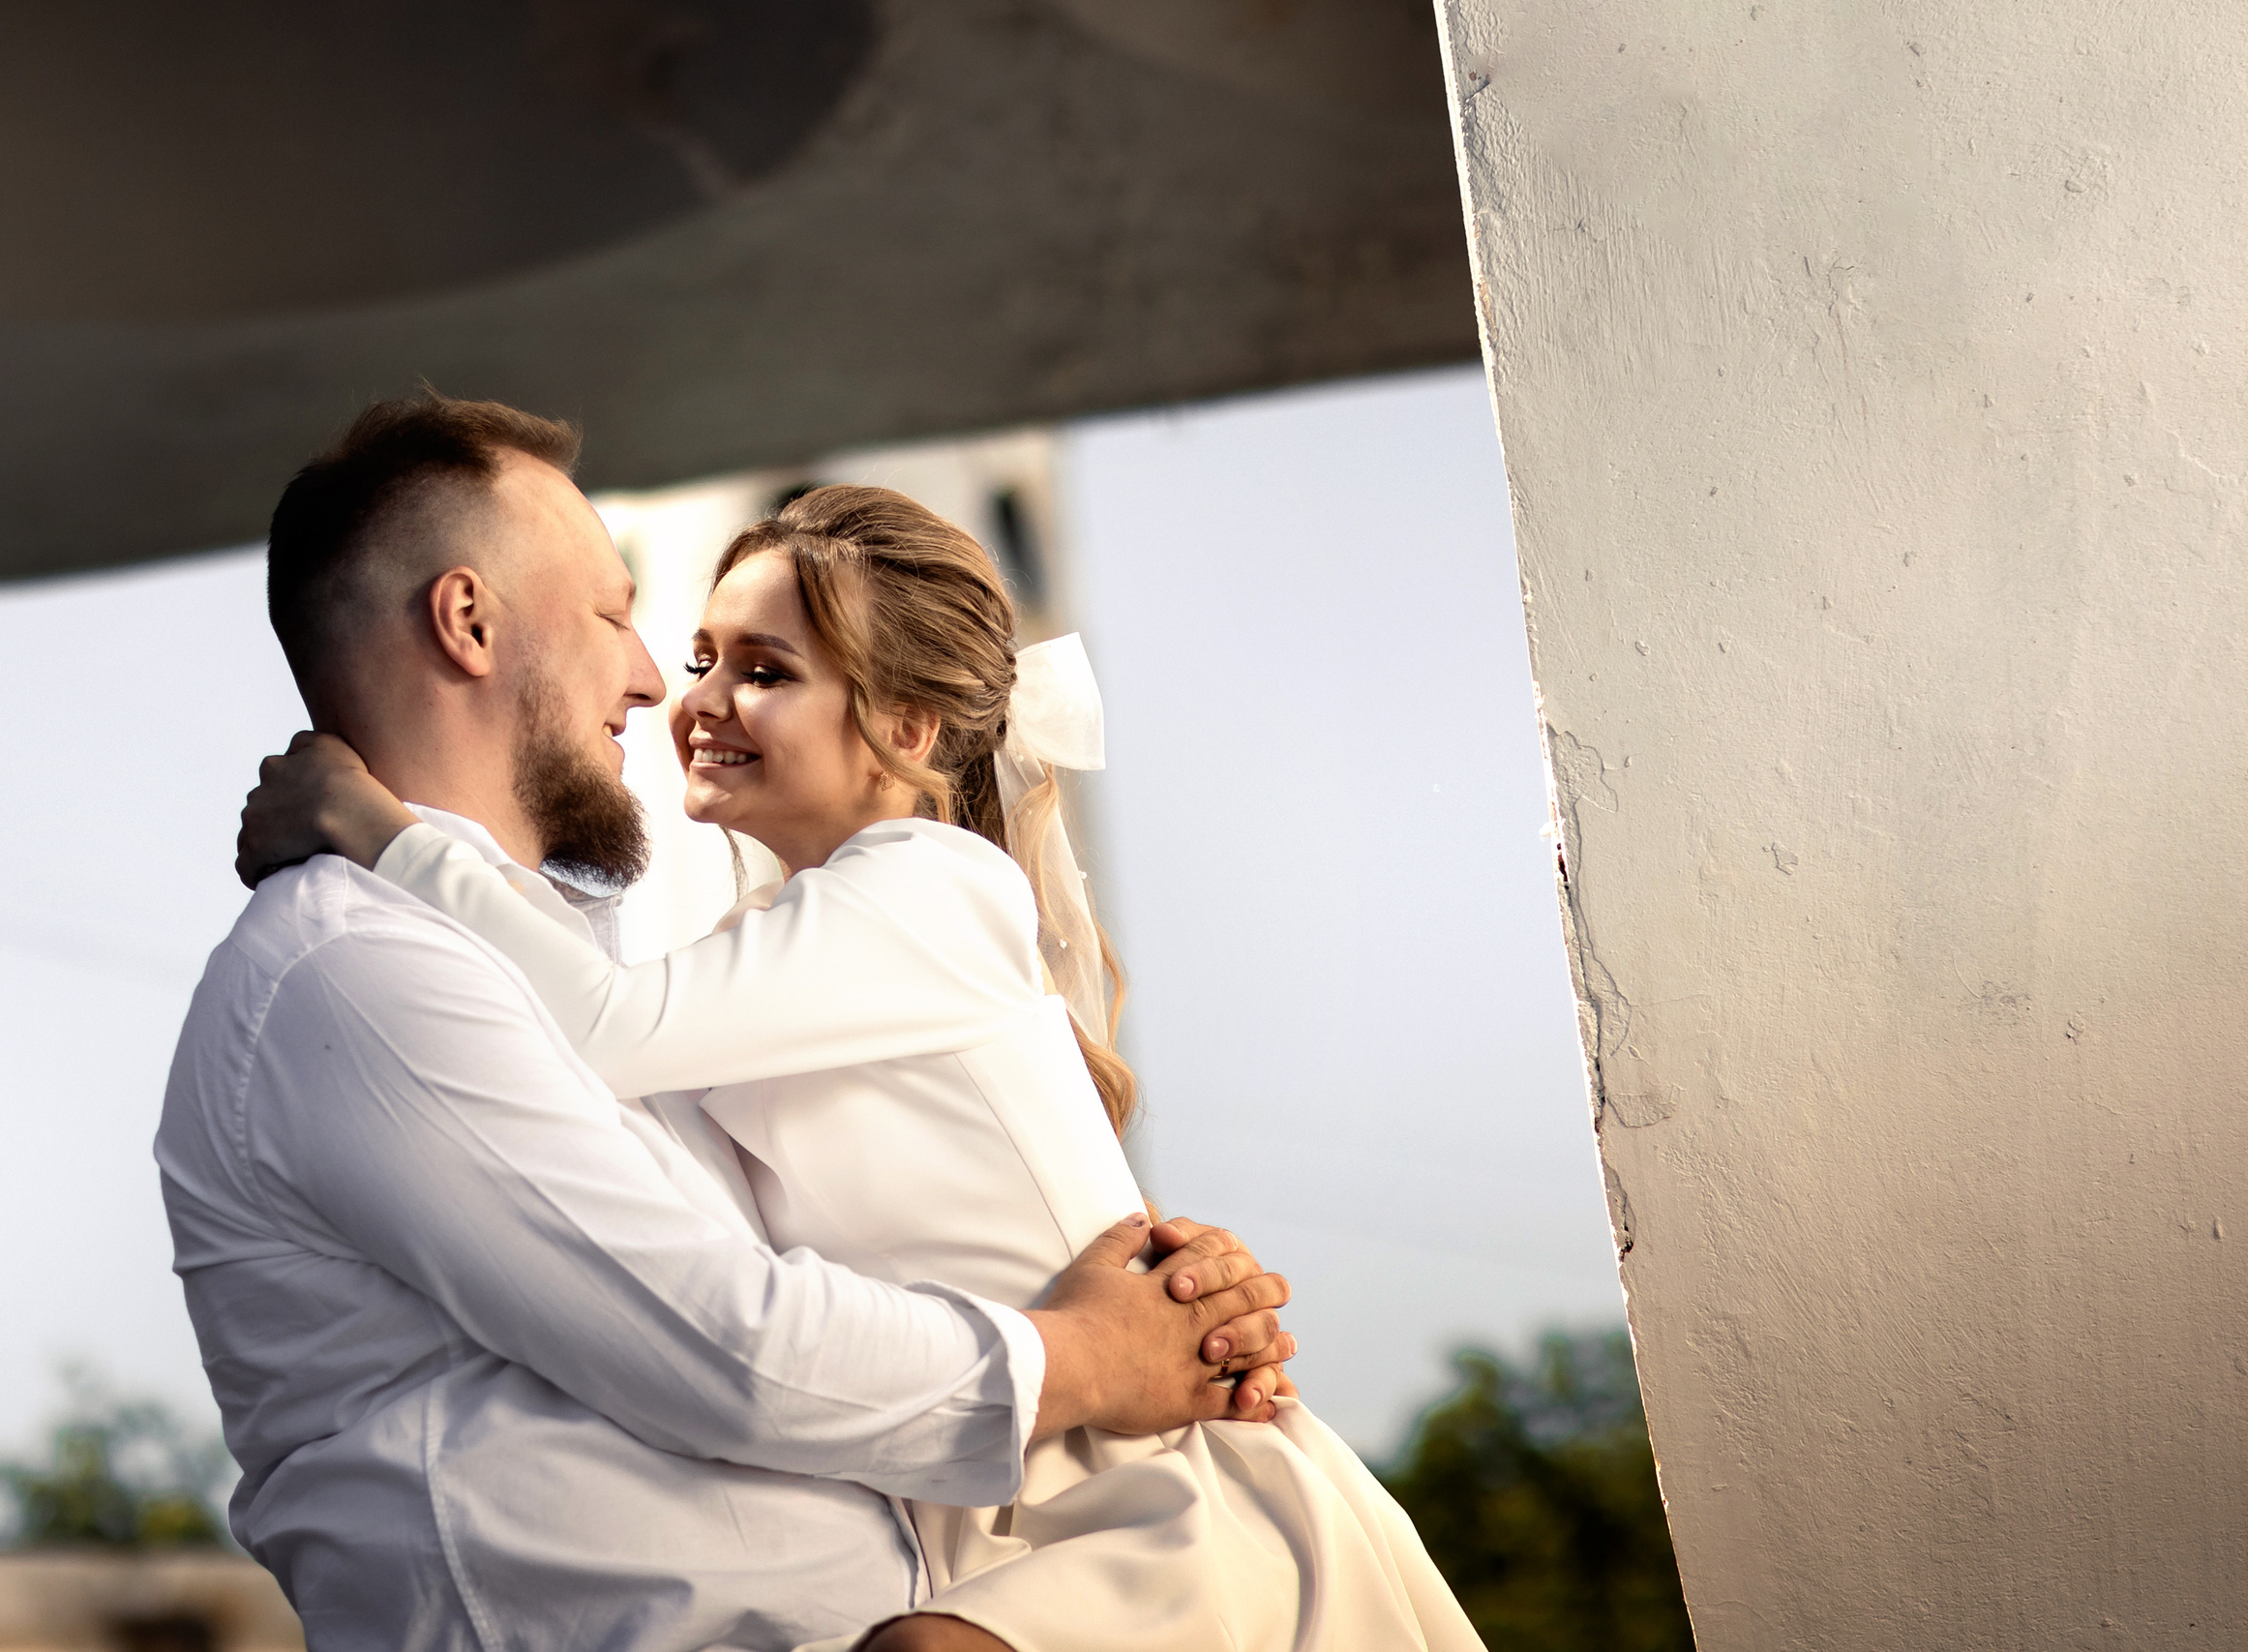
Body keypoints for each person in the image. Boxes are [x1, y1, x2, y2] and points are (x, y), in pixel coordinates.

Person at [235, 469, 1486, 1650]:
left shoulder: (934, 885)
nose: (701, 701)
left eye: (766, 670)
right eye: (701, 658)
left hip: (1134, 1492)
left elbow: (604, 1027)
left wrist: (377, 831)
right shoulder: (762, 949)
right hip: (972, 1495)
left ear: (904, 721)